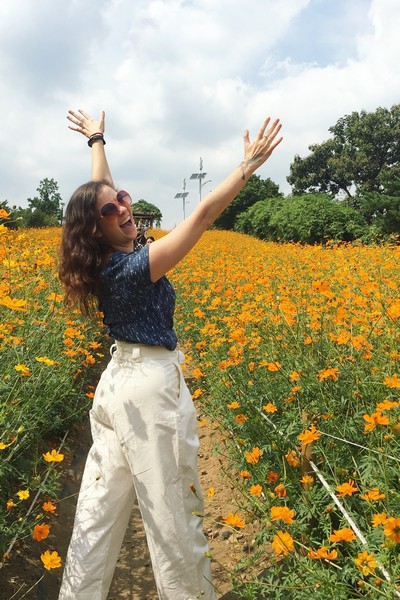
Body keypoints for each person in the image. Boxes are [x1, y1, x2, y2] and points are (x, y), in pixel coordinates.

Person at [58, 108, 282, 600]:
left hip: (117, 384)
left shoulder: (107, 256)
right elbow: (201, 217)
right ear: (97, 230)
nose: (122, 206)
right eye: (112, 211)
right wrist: (246, 167)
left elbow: (101, 194)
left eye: (122, 199)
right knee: (171, 515)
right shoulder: (133, 268)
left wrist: (96, 141)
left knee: (98, 508)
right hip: (148, 391)